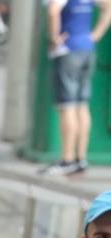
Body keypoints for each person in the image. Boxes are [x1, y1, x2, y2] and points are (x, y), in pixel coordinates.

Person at [40, 0, 111, 176]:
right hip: (87, 48)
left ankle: (67, 158)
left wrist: (54, 37)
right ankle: (81, 158)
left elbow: (53, 10)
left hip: (68, 49)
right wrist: (95, 35)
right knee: (82, 104)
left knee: (67, 106)